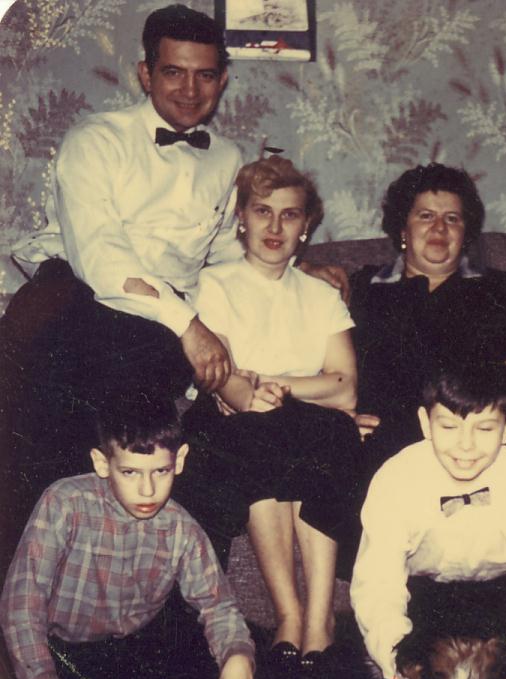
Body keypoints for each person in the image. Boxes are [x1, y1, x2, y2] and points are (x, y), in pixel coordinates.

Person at [0, 4, 345, 555]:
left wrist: (303, 267)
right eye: (173, 72)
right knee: (53, 385)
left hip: (157, 326)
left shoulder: (229, 159)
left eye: (204, 74)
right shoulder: (96, 140)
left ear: (222, 79)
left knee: (160, 423)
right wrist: (190, 325)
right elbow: (101, 258)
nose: (189, 89)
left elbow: (233, 247)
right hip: (84, 293)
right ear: (145, 73)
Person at [181, 155, 362, 679]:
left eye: (290, 215)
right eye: (263, 211)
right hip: (237, 424)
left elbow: (346, 386)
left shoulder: (322, 294)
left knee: (332, 430)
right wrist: (253, 390)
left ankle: (321, 616)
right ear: (242, 218)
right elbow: (223, 379)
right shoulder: (213, 284)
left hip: (301, 418)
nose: (275, 227)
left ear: (307, 226)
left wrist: (274, 384)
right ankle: (289, 612)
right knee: (261, 432)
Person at [0, 397, 258, 679]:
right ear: (101, 463)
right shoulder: (64, 503)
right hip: (55, 650)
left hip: (132, 654)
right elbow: (21, 607)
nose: (148, 490)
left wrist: (237, 656)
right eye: (131, 473)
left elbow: (218, 606)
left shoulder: (181, 528)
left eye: (161, 471)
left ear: (179, 460)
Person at [351, 363, 506, 679]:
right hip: (422, 601)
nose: (466, 446)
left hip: (504, 600)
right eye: (449, 427)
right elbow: (378, 585)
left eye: (485, 429)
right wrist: (401, 658)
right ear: (426, 423)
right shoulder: (395, 480)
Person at [348, 163, 506, 478]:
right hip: (395, 431)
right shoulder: (364, 288)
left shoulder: (498, 286)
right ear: (402, 229)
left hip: (488, 423)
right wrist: (343, 418)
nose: (439, 229)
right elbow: (330, 365)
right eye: (425, 216)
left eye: (452, 218)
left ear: (465, 234)